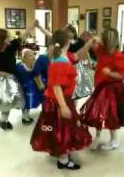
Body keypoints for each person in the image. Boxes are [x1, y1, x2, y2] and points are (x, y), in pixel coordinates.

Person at [30, 30, 92, 170]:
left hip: (61, 100)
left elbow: (77, 56)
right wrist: (63, 106)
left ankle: (61, 153)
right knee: (62, 129)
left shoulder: (63, 57)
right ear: (68, 42)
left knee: (60, 129)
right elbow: (57, 86)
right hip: (59, 102)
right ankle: (63, 160)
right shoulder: (60, 62)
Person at [79, 28, 124, 150]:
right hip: (100, 87)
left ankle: (114, 140)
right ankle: (97, 137)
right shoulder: (101, 50)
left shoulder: (118, 55)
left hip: (113, 89)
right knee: (97, 113)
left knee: (111, 114)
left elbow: (121, 75)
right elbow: (87, 49)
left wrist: (109, 73)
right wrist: (92, 40)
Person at [0, 24, 35, 131]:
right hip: (1, 81)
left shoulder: (12, 47)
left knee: (10, 101)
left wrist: (31, 27)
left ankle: (6, 118)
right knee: (5, 102)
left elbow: (22, 37)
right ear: (4, 40)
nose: (11, 38)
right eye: (9, 36)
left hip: (12, 80)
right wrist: (0, 73)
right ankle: (3, 119)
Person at [15, 49, 41, 124]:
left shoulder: (34, 65)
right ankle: (24, 117)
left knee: (29, 102)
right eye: (30, 56)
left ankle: (27, 114)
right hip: (23, 89)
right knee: (24, 103)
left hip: (32, 88)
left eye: (33, 55)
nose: (33, 57)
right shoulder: (19, 67)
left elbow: (36, 74)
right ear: (24, 58)